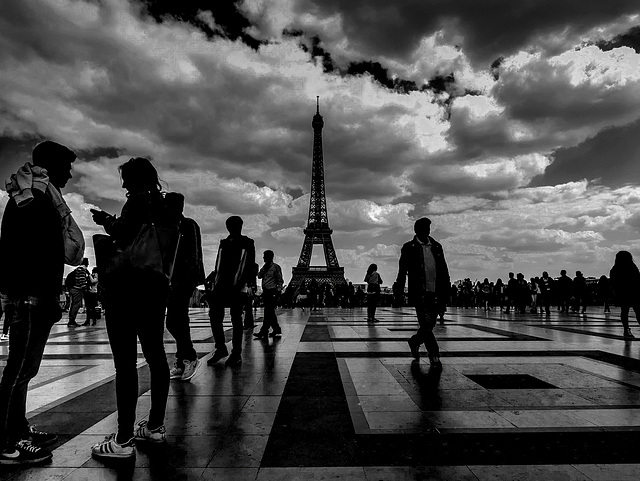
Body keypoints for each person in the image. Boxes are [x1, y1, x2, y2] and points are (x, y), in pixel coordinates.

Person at [0, 140, 83, 465]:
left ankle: (18, 429)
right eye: (67, 166)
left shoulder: (39, 196)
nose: (71, 173)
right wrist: (23, 298)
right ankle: (5, 443)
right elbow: (25, 254)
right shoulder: (31, 199)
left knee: (25, 369)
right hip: (30, 297)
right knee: (18, 371)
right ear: (50, 166)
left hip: (34, 296)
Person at [90, 157, 178, 460]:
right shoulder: (167, 206)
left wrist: (106, 221)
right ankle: (154, 426)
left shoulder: (137, 201)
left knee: (125, 363)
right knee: (156, 356)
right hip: (155, 287)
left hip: (126, 288)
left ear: (134, 180)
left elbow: (123, 236)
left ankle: (124, 439)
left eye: (125, 178)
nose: (123, 184)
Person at [396, 217, 450, 369]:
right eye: (425, 228)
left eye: (428, 228)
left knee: (430, 324)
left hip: (435, 292)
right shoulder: (409, 247)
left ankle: (414, 341)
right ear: (417, 230)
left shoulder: (437, 246)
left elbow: (444, 271)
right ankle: (434, 354)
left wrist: (446, 292)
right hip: (419, 292)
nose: (428, 230)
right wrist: (399, 292)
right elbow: (402, 271)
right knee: (426, 325)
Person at [165, 193, 205, 382]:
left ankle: (189, 357)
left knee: (174, 321)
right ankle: (182, 361)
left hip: (183, 280)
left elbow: (195, 254)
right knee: (178, 321)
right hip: (172, 280)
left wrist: (190, 280)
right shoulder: (170, 226)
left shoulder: (188, 224)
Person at [205, 216, 256, 367]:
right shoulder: (228, 243)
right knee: (221, 317)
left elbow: (248, 265)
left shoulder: (245, 243)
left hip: (235, 285)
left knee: (232, 318)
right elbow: (220, 265)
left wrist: (242, 284)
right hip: (224, 285)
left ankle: (233, 352)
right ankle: (226, 350)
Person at [609, 251, 640, 339]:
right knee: (638, 311)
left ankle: (626, 329)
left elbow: (613, 282)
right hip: (634, 292)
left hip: (622, 293)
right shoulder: (633, 267)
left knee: (624, 311)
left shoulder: (615, 269)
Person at [254, 250, 284, 339]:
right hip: (266, 292)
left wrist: (278, 291)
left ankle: (264, 331)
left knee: (268, 311)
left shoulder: (275, 267)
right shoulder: (265, 267)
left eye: (264, 256)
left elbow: (280, 280)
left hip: (272, 292)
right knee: (269, 312)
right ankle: (276, 329)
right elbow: (259, 276)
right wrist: (263, 268)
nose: (263, 258)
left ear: (269, 257)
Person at [65, 258, 90, 327]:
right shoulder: (82, 270)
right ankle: (71, 321)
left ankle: (72, 320)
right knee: (76, 305)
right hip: (76, 289)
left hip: (73, 289)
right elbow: (81, 281)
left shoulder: (78, 269)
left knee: (75, 304)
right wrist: (85, 288)